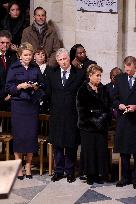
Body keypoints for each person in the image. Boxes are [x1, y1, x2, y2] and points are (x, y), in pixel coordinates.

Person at [5, 42, 45, 180]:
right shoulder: (14, 67)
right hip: (18, 105)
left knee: (30, 136)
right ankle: (18, 167)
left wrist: (36, 87)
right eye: (26, 55)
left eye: (30, 54)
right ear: (19, 55)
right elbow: (8, 88)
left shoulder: (35, 68)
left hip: (31, 106)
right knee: (19, 136)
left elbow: (43, 85)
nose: (28, 57)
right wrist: (19, 86)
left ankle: (28, 166)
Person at [45, 48, 84, 183]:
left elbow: (81, 95)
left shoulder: (79, 74)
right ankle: (59, 171)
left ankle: (70, 171)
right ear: (57, 61)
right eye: (60, 60)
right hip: (56, 115)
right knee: (57, 145)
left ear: (69, 58)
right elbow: (49, 92)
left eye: (65, 59)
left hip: (72, 115)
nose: (63, 62)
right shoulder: (51, 73)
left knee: (71, 145)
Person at [76, 64, 110, 185]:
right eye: (97, 75)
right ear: (90, 75)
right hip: (87, 127)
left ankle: (98, 174)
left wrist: (101, 119)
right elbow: (82, 110)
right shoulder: (83, 89)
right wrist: (94, 120)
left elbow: (107, 107)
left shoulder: (103, 89)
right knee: (89, 150)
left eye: (100, 75)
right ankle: (89, 175)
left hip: (101, 127)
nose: (99, 78)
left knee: (100, 150)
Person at [113, 56, 136, 189]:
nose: (127, 72)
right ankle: (125, 177)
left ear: (134, 67)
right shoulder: (120, 79)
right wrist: (120, 105)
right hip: (124, 120)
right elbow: (114, 98)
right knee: (124, 152)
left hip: (135, 121)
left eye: (129, 70)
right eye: (126, 70)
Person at [0, 29, 17, 111]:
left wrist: (11, 94)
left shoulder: (13, 56)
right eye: (2, 42)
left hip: (11, 96)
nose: (5, 45)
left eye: (7, 43)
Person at [34, 47, 49, 113]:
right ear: (34, 57)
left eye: (43, 54)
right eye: (38, 54)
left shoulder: (49, 69)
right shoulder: (30, 68)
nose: (41, 56)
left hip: (45, 98)